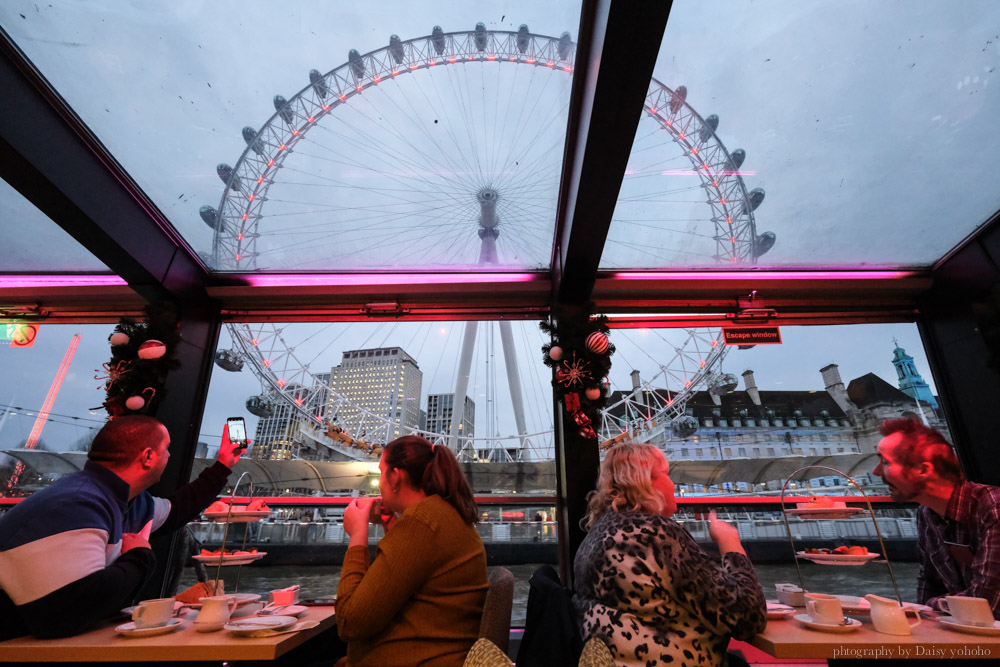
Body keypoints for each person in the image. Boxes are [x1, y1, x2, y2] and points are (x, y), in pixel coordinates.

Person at [0, 415, 243, 639]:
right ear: (148, 457)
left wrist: (224, 465)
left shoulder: (128, 501)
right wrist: (140, 556)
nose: (169, 456)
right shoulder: (77, 505)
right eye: (166, 449)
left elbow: (177, 510)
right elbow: (69, 613)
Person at [572, 442, 766, 667]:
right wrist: (730, 544)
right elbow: (747, 616)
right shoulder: (658, 534)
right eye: (666, 474)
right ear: (645, 482)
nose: (673, 483)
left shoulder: (596, 534)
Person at [336, 436, 488, 667]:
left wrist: (357, 536)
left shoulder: (421, 520)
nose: (380, 484)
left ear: (396, 477)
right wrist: (392, 528)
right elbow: (408, 591)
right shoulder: (441, 514)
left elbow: (351, 622)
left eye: (381, 472)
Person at [873, 417, 1000, 615]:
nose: (875, 471)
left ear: (923, 470)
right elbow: (928, 581)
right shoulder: (926, 513)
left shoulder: (994, 507)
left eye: (885, 462)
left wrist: (931, 605)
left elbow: (985, 603)